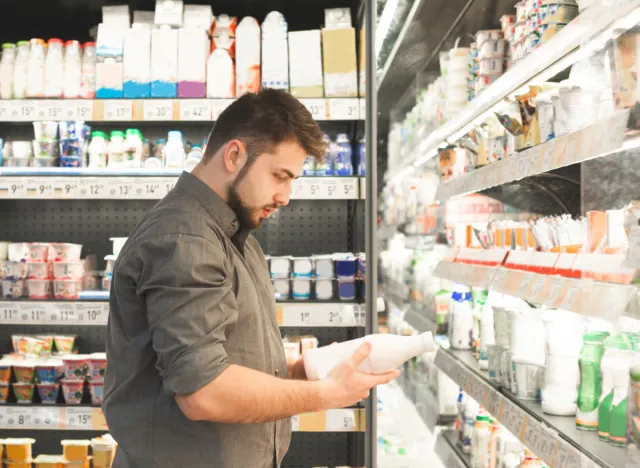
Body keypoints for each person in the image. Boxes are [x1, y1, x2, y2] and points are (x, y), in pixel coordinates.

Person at [103, 88, 399, 468]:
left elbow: (226, 361)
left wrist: (306, 370)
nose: (286, 196)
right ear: (234, 155)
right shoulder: (186, 240)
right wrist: (326, 393)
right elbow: (203, 392)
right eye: (280, 176)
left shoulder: (234, 237)